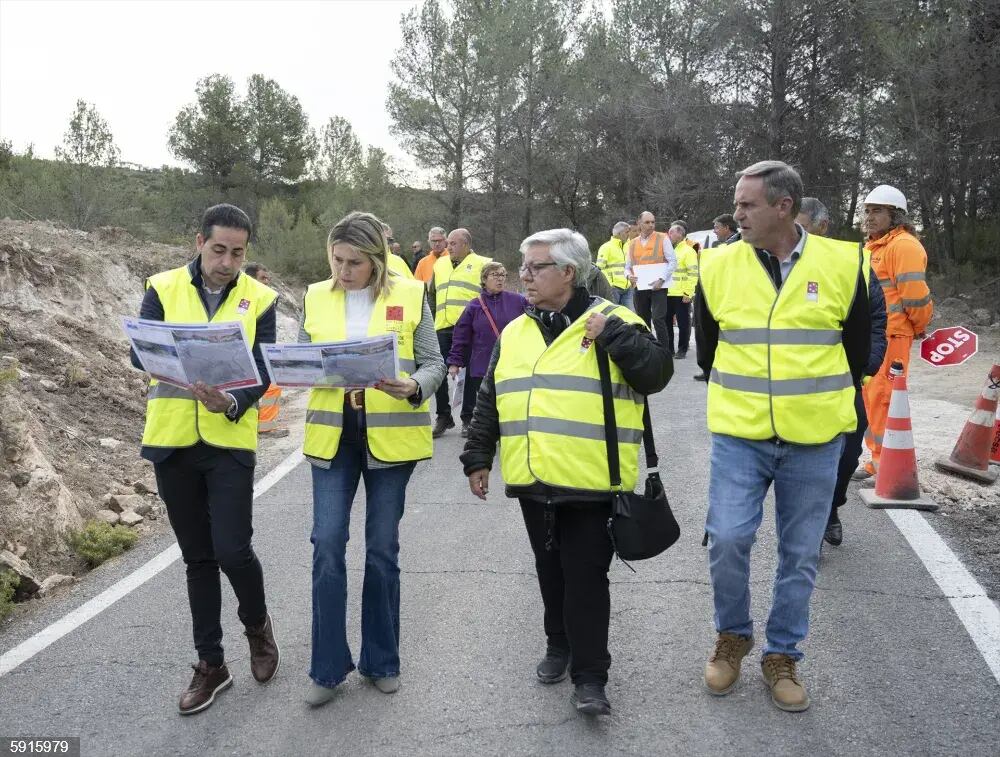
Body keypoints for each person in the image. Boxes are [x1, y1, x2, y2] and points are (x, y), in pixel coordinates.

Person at [461, 229, 672, 717]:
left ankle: (591, 676)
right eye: (524, 267)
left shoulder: (617, 320)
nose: (524, 276)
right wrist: (477, 455)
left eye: (536, 267)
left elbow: (656, 374)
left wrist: (613, 336)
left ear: (569, 273)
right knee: (549, 569)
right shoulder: (515, 330)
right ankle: (558, 645)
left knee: (586, 576)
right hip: (534, 480)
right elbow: (491, 397)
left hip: (593, 482)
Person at [695, 161, 869, 712]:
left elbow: (860, 346)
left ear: (783, 207)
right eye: (737, 204)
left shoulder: (844, 262)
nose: (737, 214)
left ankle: (783, 656)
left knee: (799, 554)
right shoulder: (716, 266)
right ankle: (733, 638)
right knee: (726, 537)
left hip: (814, 438)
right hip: (740, 434)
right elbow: (706, 350)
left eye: (747, 205)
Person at [130, 204, 280, 715]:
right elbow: (138, 351)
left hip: (229, 441)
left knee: (233, 550)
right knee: (197, 558)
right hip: (172, 439)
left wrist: (233, 401)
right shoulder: (162, 285)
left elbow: (264, 370)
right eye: (219, 250)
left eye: (238, 253)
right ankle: (211, 664)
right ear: (199, 242)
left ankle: (257, 629)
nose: (227, 262)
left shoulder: (259, 299)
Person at [299, 211, 445, 707]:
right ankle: (326, 669)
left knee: (382, 551)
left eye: (354, 263)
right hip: (333, 436)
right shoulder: (316, 296)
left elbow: (434, 364)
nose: (343, 271)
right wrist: (297, 367)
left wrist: (413, 387)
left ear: (377, 260)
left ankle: (382, 660)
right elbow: (301, 357)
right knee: (326, 547)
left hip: (388, 439)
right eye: (337, 260)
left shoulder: (409, 295)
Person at [797, 197, 888, 546]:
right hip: (791, 383)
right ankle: (807, 527)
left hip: (842, 382)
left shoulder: (853, 262)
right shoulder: (778, 263)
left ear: (822, 226)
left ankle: (831, 506)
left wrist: (868, 363)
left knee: (848, 452)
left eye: (802, 227)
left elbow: (877, 319)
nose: (796, 235)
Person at [856, 185, 933, 480]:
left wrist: (919, 326)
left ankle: (883, 463)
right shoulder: (874, 247)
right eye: (867, 211)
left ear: (895, 215)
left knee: (885, 399)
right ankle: (876, 460)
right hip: (877, 336)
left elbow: (915, 296)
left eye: (877, 211)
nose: (870, 217)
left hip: (894, 337)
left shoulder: (904, 246)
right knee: (871, 399)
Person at [446, 261, 526, 437]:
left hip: (512, 364)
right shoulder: (474, 306)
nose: (500, 279)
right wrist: (454, 362)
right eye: (495, 275)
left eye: (503, 275)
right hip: (482, 366)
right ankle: (491, 435)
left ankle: (508, 433)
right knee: (488, 405)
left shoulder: (519, 301)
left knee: (509, 401)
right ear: (484, 279)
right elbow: (461, 336)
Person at [429, 228, 492, 437]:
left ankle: (468, 417)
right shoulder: (439, 264)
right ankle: (443, 416)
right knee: (438, 371)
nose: (448, 247)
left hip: (471, 328)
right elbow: (432, 296)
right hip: (442, 326)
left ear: (466, 244)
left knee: (473, 374)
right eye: (448, 243)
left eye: (453, 243)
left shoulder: (484, 264)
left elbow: (490, 297)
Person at [243, 262, 289, 439]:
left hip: (261, 354)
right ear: (251, 278)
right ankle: (262, 427)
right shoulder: (248, 298)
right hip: (250, 356)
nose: (267, 281)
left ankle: (263, 426)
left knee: (272, 386)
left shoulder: (264, 297)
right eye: (263, 278)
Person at [625, 211, 677, 345]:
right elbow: (627, 267)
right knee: (643, 320)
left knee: (658, 319)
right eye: (647, 222)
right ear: (639, 223)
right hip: (640, 287)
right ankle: (648, 350)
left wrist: (662, 279)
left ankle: (664, 352)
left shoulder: (662, 238)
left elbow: (672, 261)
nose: (651, 225)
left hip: (658, 286)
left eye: (653, 222)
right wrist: (629, 276)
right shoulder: (632, 243)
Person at [665, 223, 697, 359]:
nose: (669, 235)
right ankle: (669, 349)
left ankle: (682, 349)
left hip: (681, 294)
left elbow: (693, 273)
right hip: (667, 293)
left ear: (679, 234)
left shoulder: (688, 251)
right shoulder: (668, 249)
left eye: (671, 232)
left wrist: (688, 293)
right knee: (666, 323)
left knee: (683, 324)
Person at [595, 221, 633, 308]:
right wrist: (610, 284)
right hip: (613, 288)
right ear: (619, 233)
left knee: (628, 316)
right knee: (614, 315)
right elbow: (599, 268)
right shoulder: (606, 247)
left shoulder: (630, 245)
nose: (628, 234)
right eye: (627, 232)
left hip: (628, 287)